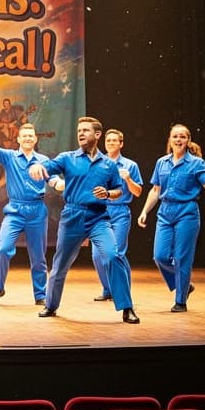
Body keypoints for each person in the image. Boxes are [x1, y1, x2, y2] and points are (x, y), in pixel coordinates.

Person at [29, 116, 140, 323]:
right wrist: (36, 167)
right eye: (79, 130)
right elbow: (47, 168)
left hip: (98, 217)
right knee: (60, 264)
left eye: (85, 130)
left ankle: (127, 307)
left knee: (113, 256)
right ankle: (50, 305)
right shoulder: (68, 158)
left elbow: (118, 190)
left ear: (97, 135)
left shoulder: (108, 164)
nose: (80, 133)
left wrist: (107, 194)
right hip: (73, 216)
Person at [138, 123, 205, 312]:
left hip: (187, 212)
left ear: (188, 141)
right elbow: (155, 190)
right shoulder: (162, 162)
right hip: (165, 211)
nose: (178, 140)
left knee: (182, 258)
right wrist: (145, 211)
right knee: (160, 256)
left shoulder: (196, 163)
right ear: (170, 140)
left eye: (182, 137)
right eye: (175, 136)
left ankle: (181, 300)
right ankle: (185, 285)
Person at [0, 108, 56, 307]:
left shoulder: (44, 161)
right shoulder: (10, 156)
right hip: (14, 210)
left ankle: (40, 294)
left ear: (35, 139)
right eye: (25, 136)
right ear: (18, 138)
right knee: (3, 249)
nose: (28, 138)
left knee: (38, 257)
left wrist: (62, 184)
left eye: (31, 135)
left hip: (37, 210)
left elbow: (55, 181)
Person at [91, 128, 143, 303]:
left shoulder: (130, 165)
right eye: (108, 141)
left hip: (120, 212)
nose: (111, 143)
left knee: (117, 254)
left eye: (115, 141)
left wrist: (128, 179)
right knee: (97, 255)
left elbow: (138, 192)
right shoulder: (98, 163)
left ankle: (123, 292)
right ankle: (108, 289)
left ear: (121, 144)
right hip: (99, 212)